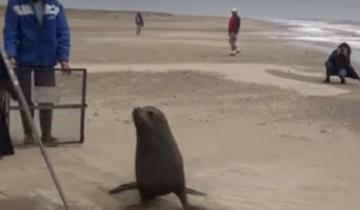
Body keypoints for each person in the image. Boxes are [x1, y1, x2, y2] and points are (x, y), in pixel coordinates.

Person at [4, 0, 71, 144]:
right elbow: (10, 32)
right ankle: (29, 134)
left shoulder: (55, 6)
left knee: (47, 98)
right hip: (23, 61)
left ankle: (47, 135)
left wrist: (63, 58)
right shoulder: (15, 4)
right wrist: (11, 55)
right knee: (24, 99)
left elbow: (63, 33)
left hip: (47, 61)